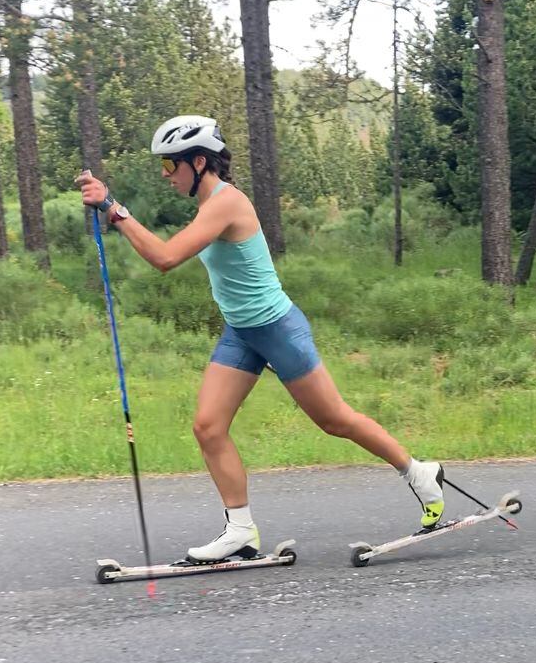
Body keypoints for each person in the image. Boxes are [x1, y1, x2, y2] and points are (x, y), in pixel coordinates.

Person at [75, 115, 446, 562]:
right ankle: (240, 530)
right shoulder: (208, 204)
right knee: (208, 427)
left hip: (277, 329)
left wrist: (114, 210)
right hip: (242, 332)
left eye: (170, 166)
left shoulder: (226, 204)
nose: (165, 175)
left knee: (335, 421)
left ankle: (419, 473)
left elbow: (166, 257)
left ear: (198, 162)